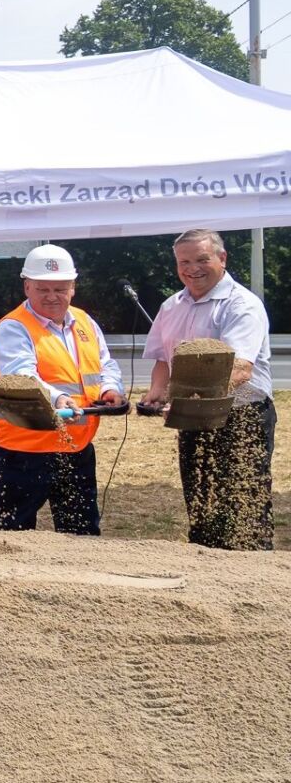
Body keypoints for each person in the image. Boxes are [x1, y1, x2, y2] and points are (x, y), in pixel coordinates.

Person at [140, 229, 274, 550]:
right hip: (193, 416)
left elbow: (239, 368)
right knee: (201, 501)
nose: (192, 269)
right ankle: (206, 562)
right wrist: (157, 391)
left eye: (202, 260)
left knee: (243, 504)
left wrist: (190, 399)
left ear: (222, 258)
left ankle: (252, 565)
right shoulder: (171, 306)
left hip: (241, 417)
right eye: (184, 262)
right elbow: (163, 359)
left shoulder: (242, 304)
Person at [0, 244, 125, 536]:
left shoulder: (84, 322)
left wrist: (109, 388)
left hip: (75, 445)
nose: (52, 296)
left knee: (81, 531)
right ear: (27, 287)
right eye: (42, 289)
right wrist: (58, 398)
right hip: (22, 448)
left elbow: (105, 363)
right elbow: (21, 376)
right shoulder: (13, 328)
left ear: (73, 288)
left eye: (60, 289)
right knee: (15, 533)